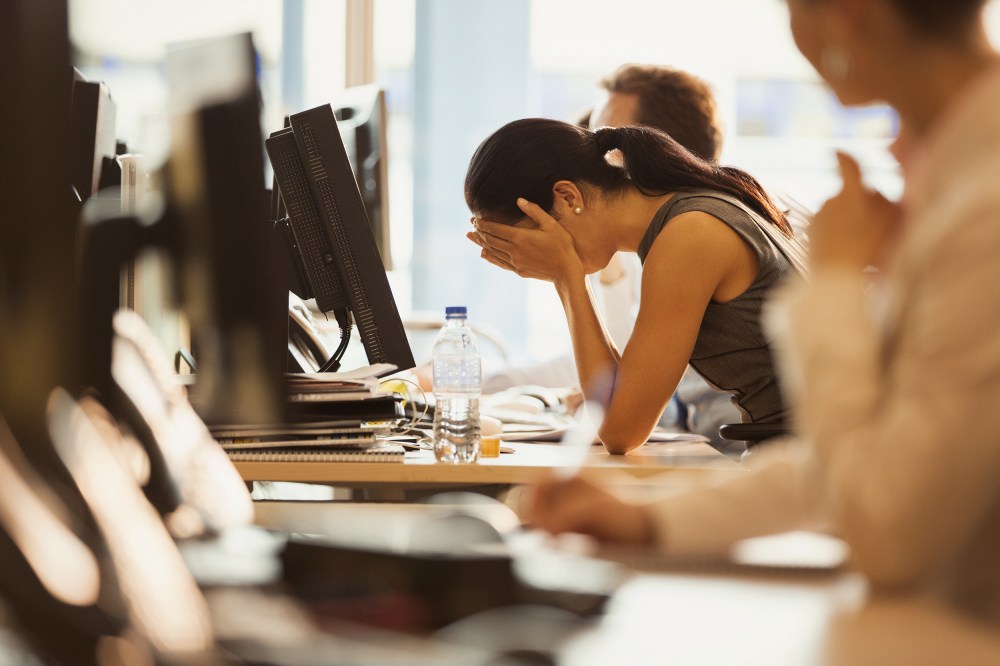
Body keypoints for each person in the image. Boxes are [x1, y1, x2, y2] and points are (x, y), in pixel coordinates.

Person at [530, 0, 1000, 625]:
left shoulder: (982, 200)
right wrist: (647, 521)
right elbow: (856, 458)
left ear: (847, 13)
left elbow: (889, 526)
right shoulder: (951, 167)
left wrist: (832, 283)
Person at [466, 116, 806, 454]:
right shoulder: (682, 219)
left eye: (531, 240)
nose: (531, 258)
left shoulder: (689, 234)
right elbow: (616, 398)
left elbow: (620, 431)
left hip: (808, 464)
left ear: (567, 198)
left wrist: (566, 276)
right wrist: (566, 274)